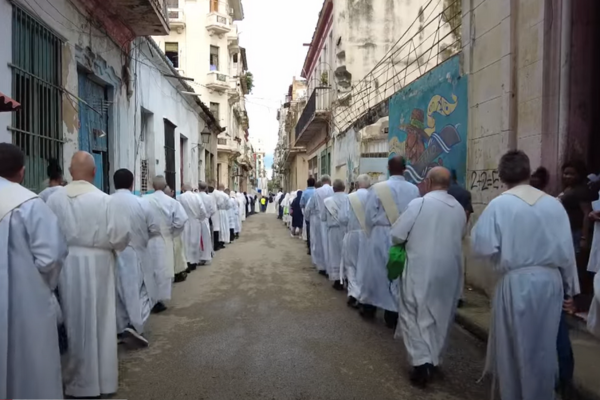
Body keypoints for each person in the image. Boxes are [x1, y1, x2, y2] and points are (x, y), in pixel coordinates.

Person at [471, 150, 579, 400]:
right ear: (528, 172)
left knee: (514, 345)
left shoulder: (500, 204)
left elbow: (481, 246)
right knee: (544, 344)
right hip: (551, 283)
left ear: (501, 175)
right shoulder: (554, 204)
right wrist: (571, 290)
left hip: (516, 282)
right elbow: (567, 252)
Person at [47, 151, 130, 398]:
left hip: (65, 263)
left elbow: (46, 236)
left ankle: (74, 381)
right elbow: (120, 236)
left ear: (70, 172)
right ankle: (103, 381)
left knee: (72, 321)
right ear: (95, 173)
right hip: (100, 263)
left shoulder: (53, 200)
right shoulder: (105, 200)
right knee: (102, 320)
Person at [0, 143, 68, 400]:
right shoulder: (28, 204)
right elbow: (51, 257)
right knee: (30, 368)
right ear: (22, 172)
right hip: (26, 305)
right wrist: (43, 288)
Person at [392, 167, 466, 387]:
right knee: (440, 315)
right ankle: (433, 358)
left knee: (413, 314)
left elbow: (397, 234)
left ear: (428, 181)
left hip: (420, 268)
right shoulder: (459, 209)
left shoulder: (420, 204)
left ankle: (421, 362)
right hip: (450, 271)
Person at [361, 156, 419, 328]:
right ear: (405, 168)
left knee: (376, 272)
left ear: (388, 168)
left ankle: (369, 307)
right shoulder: (414, 190)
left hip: (381, 233)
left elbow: (369, 215)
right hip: (404, 235)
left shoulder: (378, 188)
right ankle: (392, 313)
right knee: (396, 272)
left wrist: (371, 233)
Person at [110, 168, 159, 348]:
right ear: (132, 183)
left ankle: (121, 328)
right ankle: (134, 326)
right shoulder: (142, 203)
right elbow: (154, 228)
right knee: (146, 291)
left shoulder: (106, 202)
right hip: (137, 252)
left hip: (113, 252)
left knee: (119, 292)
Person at [144, 176, 188, 312]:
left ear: (152, 185)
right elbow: (181, 220)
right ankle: (158, 300)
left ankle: (147, 298)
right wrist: (172, 232)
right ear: (165, 186)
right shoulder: (171, 202)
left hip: (148, 239)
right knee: (163, 269)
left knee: (148, 269)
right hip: (164, 239)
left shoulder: (144, 200)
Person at [339, 174, 371, 308]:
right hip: (368, 236)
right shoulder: (373, 196)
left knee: (350, 264)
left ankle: (353, 293)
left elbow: (342, 218)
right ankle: (365, 295)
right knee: (365, 265)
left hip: (352, 234)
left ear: (356, 185)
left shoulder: (350, 197)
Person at [447, 169, 474, 308]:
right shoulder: (464, 193)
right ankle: (458, 296)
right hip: (459, 233)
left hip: (443, 233)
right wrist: (462, 230)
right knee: (459, 264)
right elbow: (467, 212)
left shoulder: (443, 192)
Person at [323, 179, 348, 290]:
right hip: (347, 230)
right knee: (347, 254)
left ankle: (337, 280)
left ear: (333, 189)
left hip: (333, 231)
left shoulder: (328, 201)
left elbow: (323, 217)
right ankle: (347, 277)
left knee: (335, 254)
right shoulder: (349, 198)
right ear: (344, 188)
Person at [180, 184, 207, 272]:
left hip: (185, 222)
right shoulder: (197, 197)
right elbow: (203, 210)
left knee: (185, 242)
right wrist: (200, 218)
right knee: (195, 241)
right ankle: (194, 262)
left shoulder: (180, 197)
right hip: (195, 222)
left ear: (183, 189)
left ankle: (186, 262)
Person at [305, 181, 324, 269]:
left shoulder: (314, 194)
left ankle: (318, 262)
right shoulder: (331, 191)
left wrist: (307, 219)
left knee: (316, 240)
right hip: (328, 221)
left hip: (315, 220)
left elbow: (308, 208)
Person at [197, 182, 214, 264]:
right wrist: (208, 215)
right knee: (206, 238)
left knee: (197, 238)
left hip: (197, 220)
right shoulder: (209, 197)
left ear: (198, 187)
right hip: (205, 220)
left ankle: (199, 256)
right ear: (206, 188)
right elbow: (213, 210)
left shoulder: (196, 196)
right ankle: (206, 255)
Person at [300, 178, 317, 254]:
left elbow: (301, 204)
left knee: (309, 231)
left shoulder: (305, 192)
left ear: (307, 183)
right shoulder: (317, 192)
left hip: (309, 215)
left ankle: (309, 248)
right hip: (317, 215)